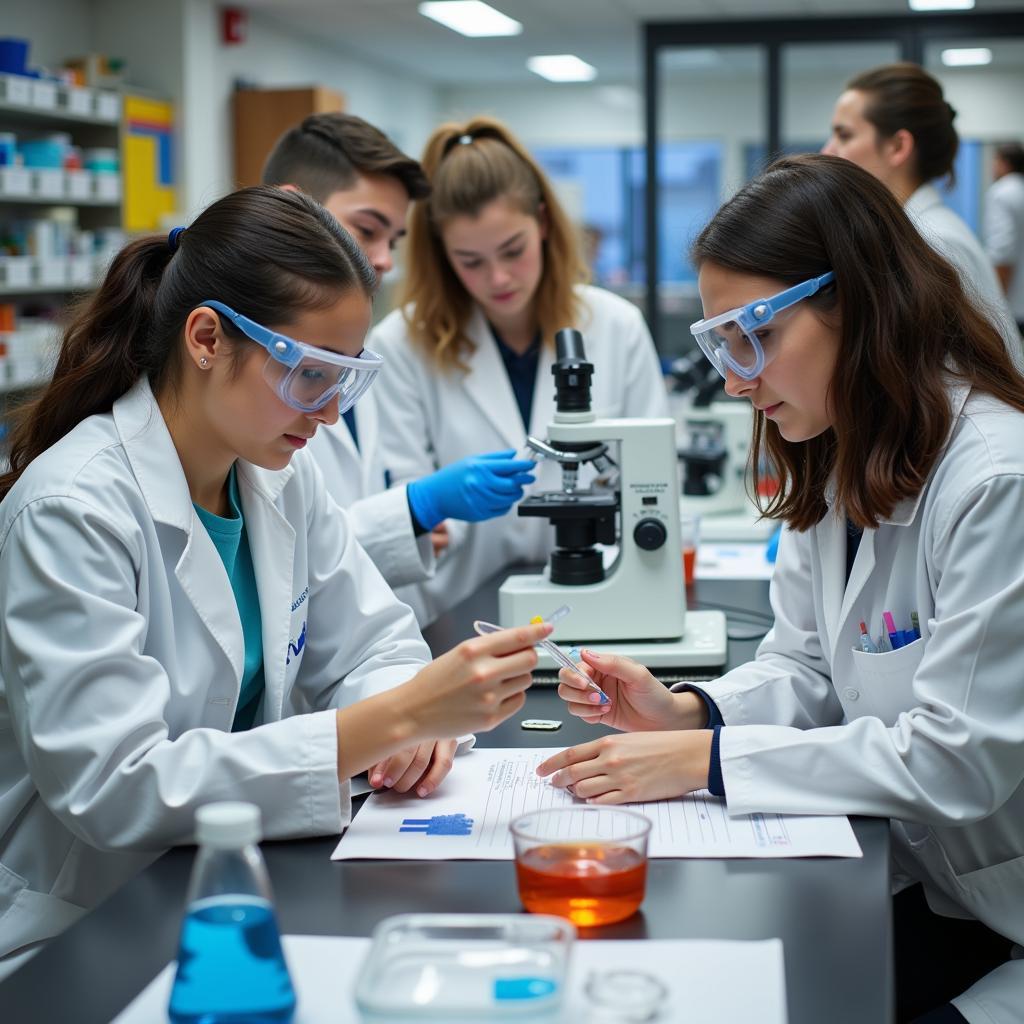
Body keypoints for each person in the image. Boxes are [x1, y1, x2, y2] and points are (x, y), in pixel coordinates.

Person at [0, 186, 550, 976]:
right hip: (87, 921)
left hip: (227, 883)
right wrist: (390, 721)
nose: (328, 414)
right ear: (205, 338)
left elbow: (374, 642)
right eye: (310, 375)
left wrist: (412, 727)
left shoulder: (276, 478)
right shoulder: (72, 508)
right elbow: (115, 786)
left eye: (345, 380)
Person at [538, 155, 1024, 1023]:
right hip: (926, 878)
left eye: (751, 336)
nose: (733, 377)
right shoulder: (841, 448)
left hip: (1006, 913)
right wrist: (688, 715)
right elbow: (804, 663)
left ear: (860, 303)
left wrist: (709, 763)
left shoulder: (996, 480)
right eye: (719, 340)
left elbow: (959, 761)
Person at [370, 116, 669, 625]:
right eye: (471, 261)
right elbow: (403, 505)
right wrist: (440, 507)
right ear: (442, 254)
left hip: (605, 596)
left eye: (513, 251)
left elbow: (657, 475)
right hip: (458, 612)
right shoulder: (400, 345)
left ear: (544, 224)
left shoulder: (616, 326)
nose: (499, 278)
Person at [261, 112, 536, 588]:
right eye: (368, 230)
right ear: (292, 208)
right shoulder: (243, 370)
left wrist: (413, 519)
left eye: (393, 239)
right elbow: (281, 553)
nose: (386, 258)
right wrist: (414, 508)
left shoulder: (354, 360)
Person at [821, 61, 1023, 369]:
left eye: (844, 135)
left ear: (898, 146)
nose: (828, 151)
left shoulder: (932, 242)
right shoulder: (918, 233)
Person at [983, 141, 1024, 335]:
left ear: (1005, 163)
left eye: (995, 161)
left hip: (1013, 304)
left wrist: (995, 307)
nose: (993, 166)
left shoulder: (1002, 193)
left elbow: (1003, 253)